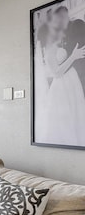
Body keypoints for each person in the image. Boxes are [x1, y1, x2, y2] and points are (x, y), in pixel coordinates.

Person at [39, 9, 85, 146]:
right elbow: (57, 73)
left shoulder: (60, 41)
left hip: (72, 80)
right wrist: (73, 56)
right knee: (66, 119)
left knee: (76, 113)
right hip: (62, 85)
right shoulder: (49, 48)